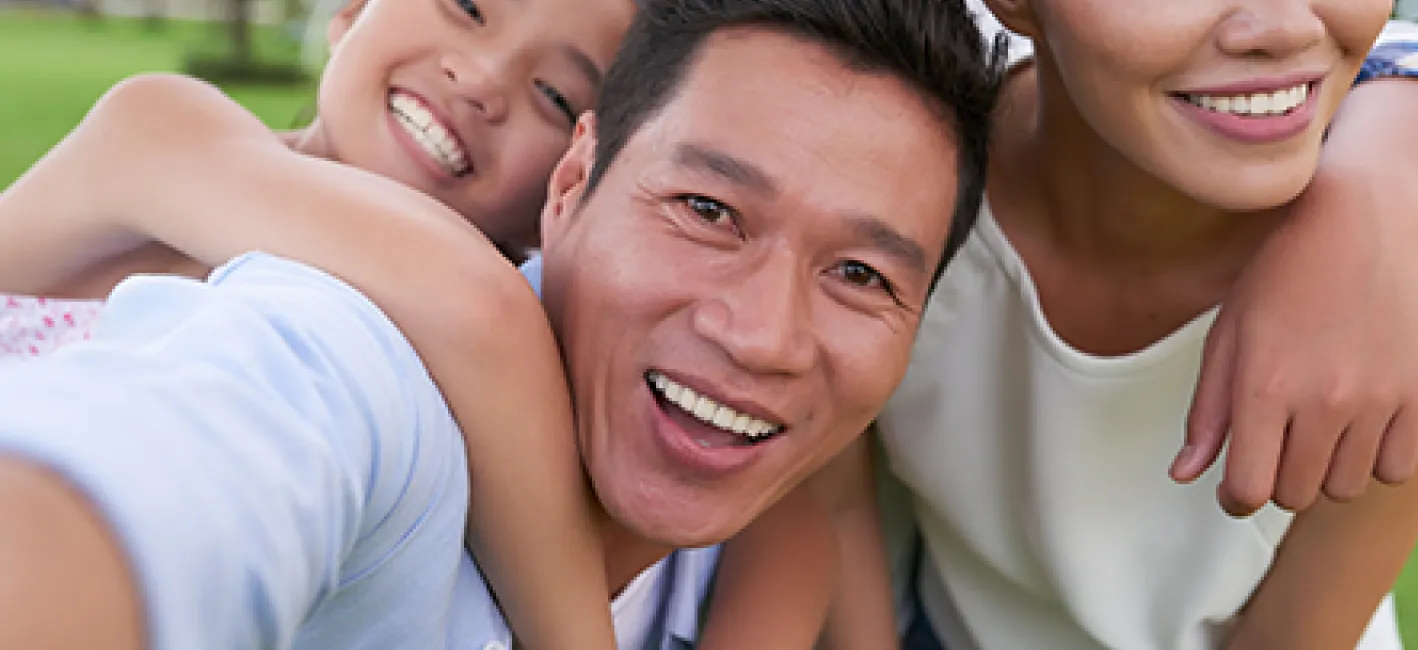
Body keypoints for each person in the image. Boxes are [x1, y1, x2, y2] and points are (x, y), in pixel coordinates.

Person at [0, 0, 1003, 648]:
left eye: (553, 89)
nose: (476, 79)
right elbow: (466, 315)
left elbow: (814, 515)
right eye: (706, 208)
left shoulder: (715, 469)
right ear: (579, 183)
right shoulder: (180, 149)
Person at [820, 1, 1418, 649]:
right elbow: (833, 502)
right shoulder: (900, 187)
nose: (1285, 25)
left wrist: (1362, 197)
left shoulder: (1396, 307)